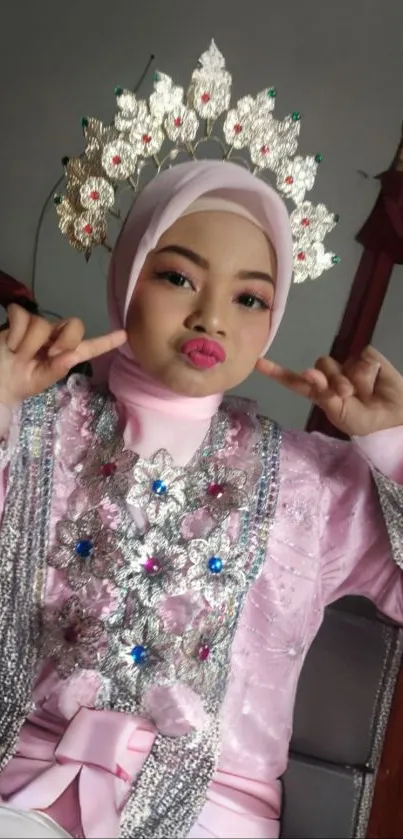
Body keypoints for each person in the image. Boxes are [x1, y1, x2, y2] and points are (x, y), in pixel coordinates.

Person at [0, 45, 403, 839]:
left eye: (250, 296)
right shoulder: (37, 428)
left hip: (211, 815)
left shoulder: (310, 486)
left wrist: (389, 442)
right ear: (128, 273)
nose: (212, 318)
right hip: (21, 788)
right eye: (178, 276)